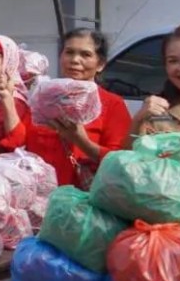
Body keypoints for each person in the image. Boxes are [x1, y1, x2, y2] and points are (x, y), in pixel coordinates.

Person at [26, 29, 131, 188]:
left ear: (100, 64)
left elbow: (121, 162)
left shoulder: (112, 104)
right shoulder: (42, 97)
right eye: (69, 52)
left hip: (81, 201)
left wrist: (82, 142)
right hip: (38, 199)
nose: (75, 60)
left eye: (86, 55)